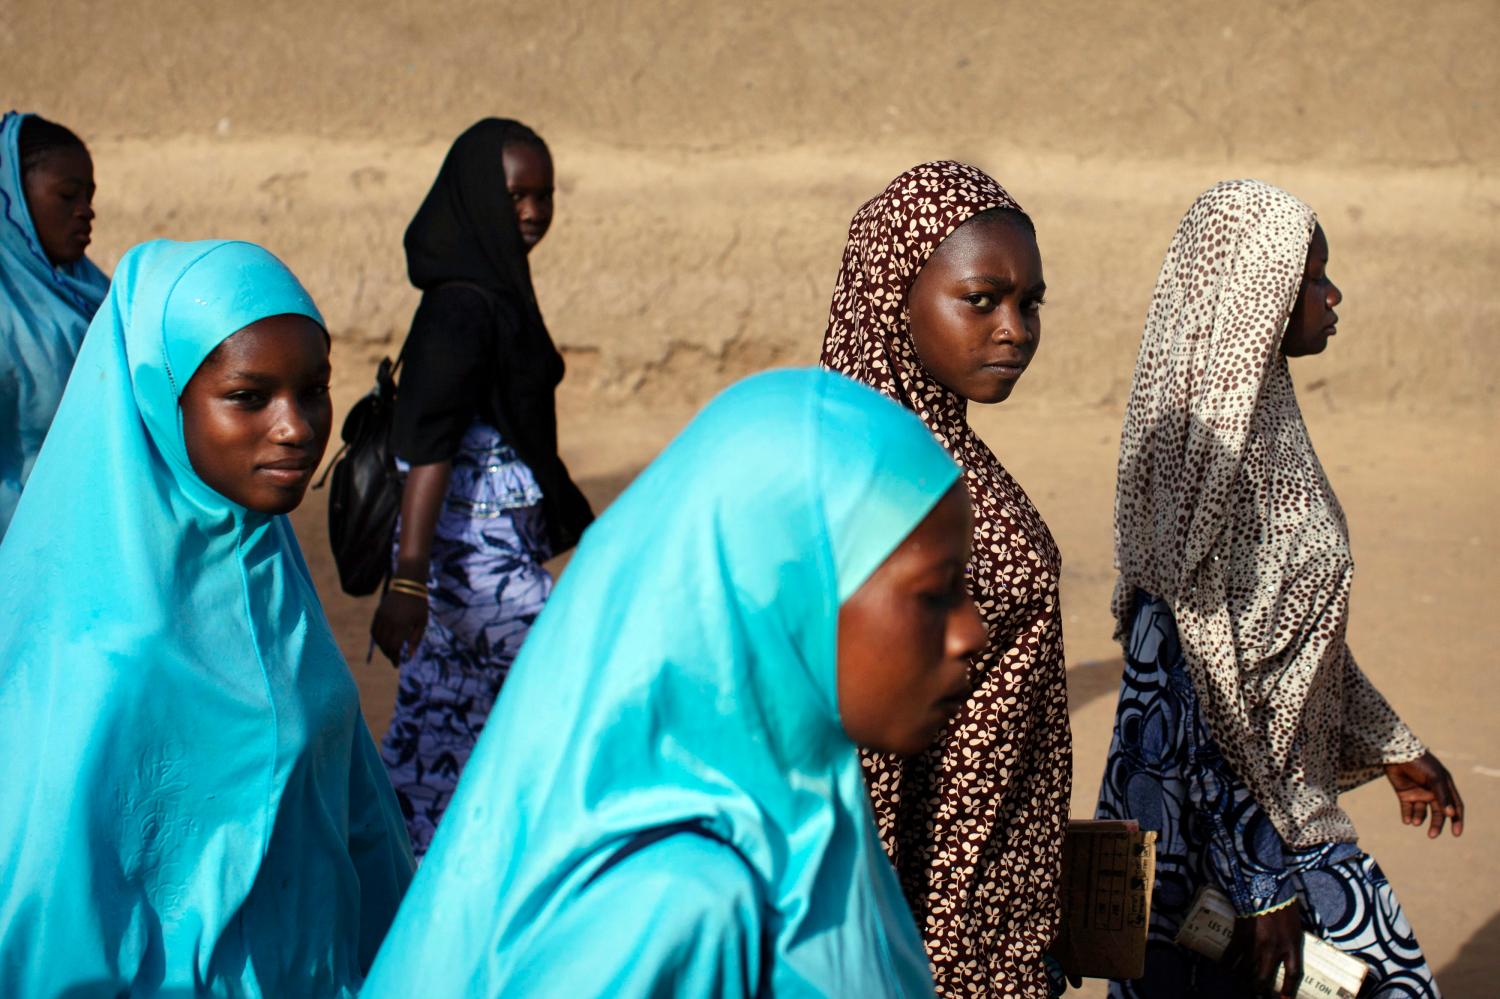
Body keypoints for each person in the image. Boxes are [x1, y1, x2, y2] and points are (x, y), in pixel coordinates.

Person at [361, 368, 985, 997]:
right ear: (785, 596)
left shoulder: (812, 824)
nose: (972, 633)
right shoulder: (675, 907)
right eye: (936, 594)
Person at [0, 239, 414, 996]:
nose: (296, 426)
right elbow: (45, 929)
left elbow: (356, 824)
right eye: (250, 396)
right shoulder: (102, 656)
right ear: (165, 399)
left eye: (313, 389)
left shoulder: (271, 580)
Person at [1097, 179, 1463, 998]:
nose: (1334, 297)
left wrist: (1391, 738)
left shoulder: (1266, 429)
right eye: (1313, 277)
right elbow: (1194, 689)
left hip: (1264, 825)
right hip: (1240, 837)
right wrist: (1266, 883)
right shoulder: (1201, 475)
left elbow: (1280, 640)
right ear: (1255, 294)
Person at [821, 161, 1071, 997]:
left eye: (1030, 302)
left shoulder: (940, 460)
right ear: (895, 296)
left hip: (995, 920)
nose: (1015, 329)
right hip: (934, 941)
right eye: (982, 299)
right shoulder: (880, 488)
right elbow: (866, 776)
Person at [370, 118, 593, 857]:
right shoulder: (461, 305)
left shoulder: (493, 291)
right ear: (474, 198)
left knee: (439, 736)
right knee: (588, 669)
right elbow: (426, 446)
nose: (531, 212)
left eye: (543, 195)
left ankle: (404, 898)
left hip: (478, 565)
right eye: (514, 196)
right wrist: (407, 579)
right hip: (473, 570)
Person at [0, 110, 109, 539]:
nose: (86, 212)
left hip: (89, 541)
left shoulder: (94, 293)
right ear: (14, 198)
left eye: (90, 196)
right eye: (68, 196)